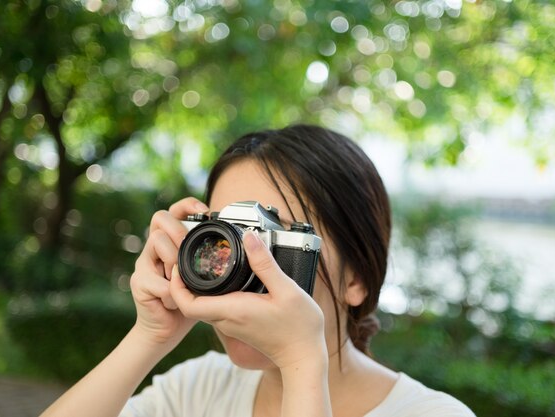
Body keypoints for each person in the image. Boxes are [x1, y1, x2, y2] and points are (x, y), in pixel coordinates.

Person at [41, 124, 475, 417]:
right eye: (223, 236)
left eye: (271, 242)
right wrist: (150, 336)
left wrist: (302, 364)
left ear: (356, 278)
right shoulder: (198, 388)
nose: (235, 270)